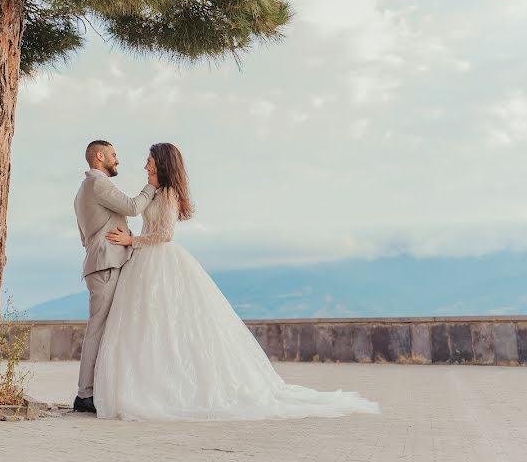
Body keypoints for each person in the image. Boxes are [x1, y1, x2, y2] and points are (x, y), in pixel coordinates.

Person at [93, 143, 380, 421]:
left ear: (162, 162)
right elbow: (137, 210)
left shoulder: (168, 194)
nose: (145, 165)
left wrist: (133, 240)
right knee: (146, 325)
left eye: (150, 160)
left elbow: (165, 235)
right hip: (143, 264)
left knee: (170, 325)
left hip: (160, 261)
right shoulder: (154, 191)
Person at [72, 140, 157, 414]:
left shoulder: (82, 191)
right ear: (100, 156)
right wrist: (153, 186)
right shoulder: (99, 184)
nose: (117, 159)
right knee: (98, 329)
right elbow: (133, 207)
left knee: (103, 328)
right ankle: (85, 395)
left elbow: (85, 235)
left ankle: (95, 390)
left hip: (100, 262)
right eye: (113, 154)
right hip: (105, 264)